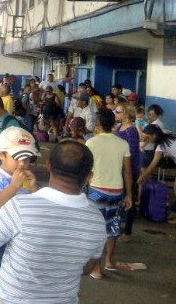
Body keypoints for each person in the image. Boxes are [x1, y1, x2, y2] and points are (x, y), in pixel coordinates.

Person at [0, 141, 106, 304]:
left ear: (48, 165)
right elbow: (86, 269)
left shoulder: (19, 207)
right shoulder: (98, 221)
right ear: (88, 176)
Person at [0, 127, 39, 304]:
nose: (22, 164)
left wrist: (34, 186)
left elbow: (37, 202)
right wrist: (13, 187)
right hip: (2, 236)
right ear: (0, 155)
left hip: (22, 237)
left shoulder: (25, 178)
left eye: (27, 159)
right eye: (17, 158)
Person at [85, 108, 133, 278]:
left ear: (97, 124)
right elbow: (127, 172)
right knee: (112, 226)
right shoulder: (123, 144)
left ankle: (96, 270)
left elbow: (86, 170)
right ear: (114, 124)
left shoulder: (91, 143)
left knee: (96, 230)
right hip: (116, 191)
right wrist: (129, 195)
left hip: (97, 190)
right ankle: (109, 261)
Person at [114, 104, 140, 243]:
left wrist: (126, 169)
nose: (115, 114)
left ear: (126, 114)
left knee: (128, 199)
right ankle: (119, 227)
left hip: (128, 170)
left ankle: (128, 231)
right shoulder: (118, 128)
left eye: (118, 112)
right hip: (118, 168)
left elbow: (133, 153)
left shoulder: (131, 131)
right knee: (120, 199)